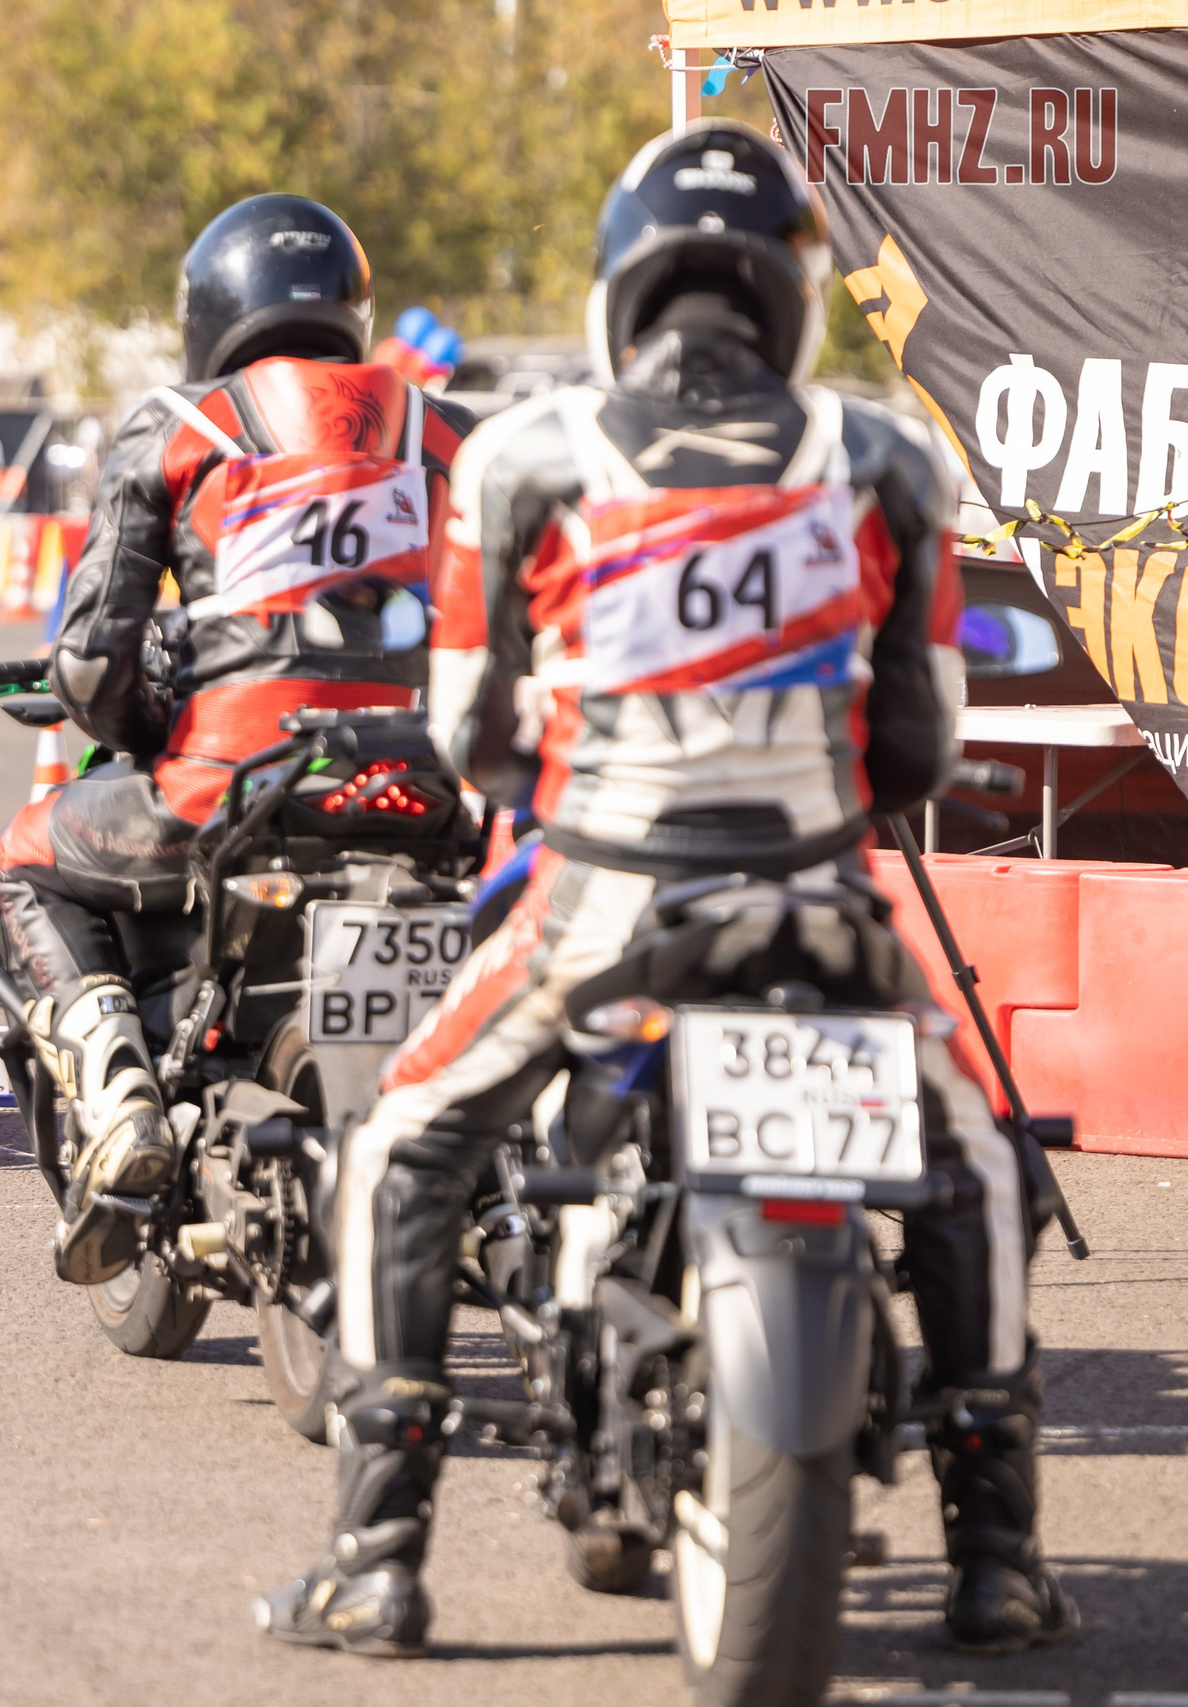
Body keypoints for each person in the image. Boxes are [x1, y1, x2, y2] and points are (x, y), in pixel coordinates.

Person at [260, 120, 1070, 1658]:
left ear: (619, 291)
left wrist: (556, 784)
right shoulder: (886, 457)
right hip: (830, 916)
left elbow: (469, 731)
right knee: (982, 1165)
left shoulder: (523, 457)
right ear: (792, 293)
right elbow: (920, 738)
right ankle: (1000, 1555)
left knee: (403, 1149)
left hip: (601, 911)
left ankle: (375, 1555)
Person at [0, 195, 476, 1284]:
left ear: (208, 312)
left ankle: (119, 1098)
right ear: (352, 303)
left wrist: (141, 728)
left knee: (22, 857)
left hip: (226, 791)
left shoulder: (183, 424)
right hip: (431, 788)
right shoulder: (446, 430)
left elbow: (91, 663)